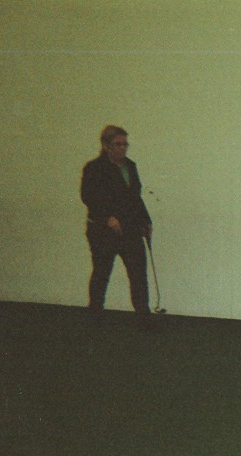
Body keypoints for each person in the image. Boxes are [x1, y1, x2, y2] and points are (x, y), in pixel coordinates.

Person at [80, 125, 154, 326]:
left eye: (125, 144)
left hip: (130, 229)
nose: (123, 148)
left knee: (138, 275)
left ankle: (144, 318)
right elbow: (88, 197)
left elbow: (135, 198)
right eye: (117, 144)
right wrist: (107, 217)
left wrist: (146, 221)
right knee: (102, 273)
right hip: (102, 231)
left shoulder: (130, 166)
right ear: (106, 146)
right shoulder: (94, 168)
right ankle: (95, 316)